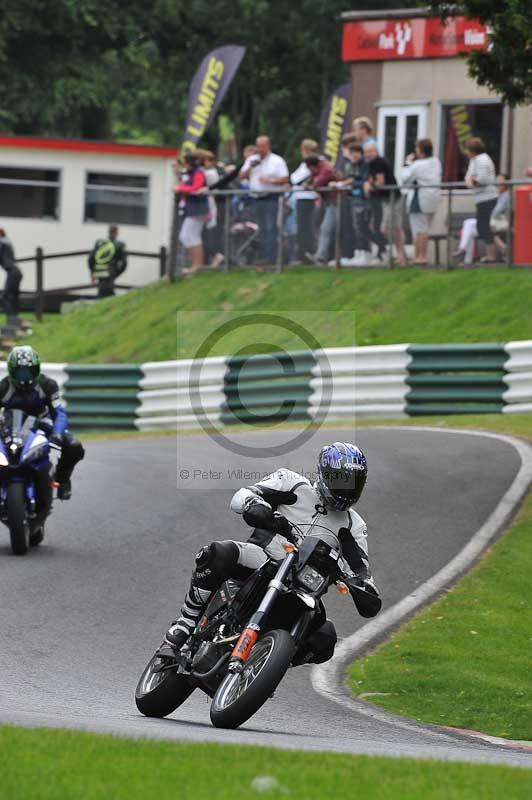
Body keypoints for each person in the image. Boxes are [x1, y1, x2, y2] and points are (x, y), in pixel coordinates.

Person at [163, 442, 381, 665]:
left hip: (304, 586)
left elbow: (362, 571)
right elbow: (243, 495)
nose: (346, 489)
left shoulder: (354, 525)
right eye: (339, 479)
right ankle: (186, 621)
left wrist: (364, 590)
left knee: (325, 638)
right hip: (263, 558)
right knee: (218, 552)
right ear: (324, 472)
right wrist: (254, 506)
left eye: (352, 482)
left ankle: (267, 663)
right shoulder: (293, 483)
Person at [0, 346, 84, 504]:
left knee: (74, 446)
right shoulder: (3, 388)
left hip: (41, 423)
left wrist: (58, 433)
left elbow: (59, 413)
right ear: (11, 371)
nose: (25, 378)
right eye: (20, 372)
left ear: (37, 369)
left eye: (29, 371)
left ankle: (62, 479)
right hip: (10, 427)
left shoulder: (48, 385)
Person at [239, 135, 289, 264]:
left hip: (271, 197)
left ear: (268, 146)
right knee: (261, 228)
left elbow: (285, 179)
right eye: (258, 146)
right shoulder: (252, 160)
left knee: (271, 226)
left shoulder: (277, 160)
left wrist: (270, 180)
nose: (260, 149)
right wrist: (250, 167)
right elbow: (241, 175)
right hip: (256, 198)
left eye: (263, 146)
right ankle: (262, 255)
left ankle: (271, 257)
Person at [364, 143, 406, 266]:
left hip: (392, 198)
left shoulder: (378, 162)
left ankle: (399, 256)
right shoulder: (373, 163)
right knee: (390, 228)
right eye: (366, 152)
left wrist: (369, 188)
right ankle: (398, 255)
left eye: (370, 151)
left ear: (376, 151)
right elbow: (372, 179)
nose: (368, 154)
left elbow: (380, 182)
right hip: (386, 199)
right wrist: (368, 184)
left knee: (390, 228)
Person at [401, 139, 442, 265]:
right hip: (433, 199)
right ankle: (419, 256)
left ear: (421, 150)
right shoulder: (436, 162)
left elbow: (405, 179)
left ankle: (420, 257)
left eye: (417, 148)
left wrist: (408, 163)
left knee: (419, 230)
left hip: (419, 200)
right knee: (424, 229)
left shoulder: (418, 165)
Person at [454, 174, 509, 265]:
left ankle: (463, 250)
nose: (498, 184)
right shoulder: (494, 194)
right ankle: (467, 260)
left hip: (498, 223)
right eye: (496, 182)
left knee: (468, 224)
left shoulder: (505, 196)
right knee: (469, 230)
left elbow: (495, 212)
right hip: (490, 223)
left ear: (506, 184)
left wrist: (487, 209)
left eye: (501, 182)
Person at [174, 150, 210, 276]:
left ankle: (197, 264)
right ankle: (196, 264)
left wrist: (180, 188)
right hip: (192, 208)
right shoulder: (190, 173)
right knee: (191, 236)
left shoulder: (198, 172)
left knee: (187, 236)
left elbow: (196, 187)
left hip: (198, 209)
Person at [464, 137, 498, 263]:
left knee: (484, 226)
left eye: (467, 149)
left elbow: (481, 180)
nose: (466, 152)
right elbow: (468, 177)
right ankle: (493, 253)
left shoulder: (482, 160)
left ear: (472, 150)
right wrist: (471, 180)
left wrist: (472, 181)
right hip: (480, 198)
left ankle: (492, 255)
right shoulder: (474, 160)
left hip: (487, 197)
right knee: (482, 226)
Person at [303, 155, 338, 265]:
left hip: (336, 202)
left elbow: (317, 183)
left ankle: (321, 256)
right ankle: (322, 255)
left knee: (326, 228)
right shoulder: (318, 169)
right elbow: (312, 179)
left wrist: (309, 185)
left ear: (313, 166)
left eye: (310, 169)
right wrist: (307, 183)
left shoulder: (326, 169)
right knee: (323, 227)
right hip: (328, 202)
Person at [290, 139, 320, 262]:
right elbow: (293, 177)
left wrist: (294, 181)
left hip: (307, 198)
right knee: (302, 227)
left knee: (305, 228)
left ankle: (307, 253)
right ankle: (303, 253)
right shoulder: (304, 164)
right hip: (301, 197)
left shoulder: (312, 163)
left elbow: (296, 179)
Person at [88, 225, 127, 298]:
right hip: (111, 272)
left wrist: (92, 272)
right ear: (117, 233)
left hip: (100, 270)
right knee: (107, 291)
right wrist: (117, 273)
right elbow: (124, 263)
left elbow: (91, 259)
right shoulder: (120, 245)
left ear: (108, 232)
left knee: (103, 290)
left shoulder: (99, 243)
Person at [0, 229, 23, 321]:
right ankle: (15, 318)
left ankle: (11, 320)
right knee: (13, 296)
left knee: (5, 296)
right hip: (17, 272)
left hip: (13, 273)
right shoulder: (7, 243)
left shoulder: (2, 244)